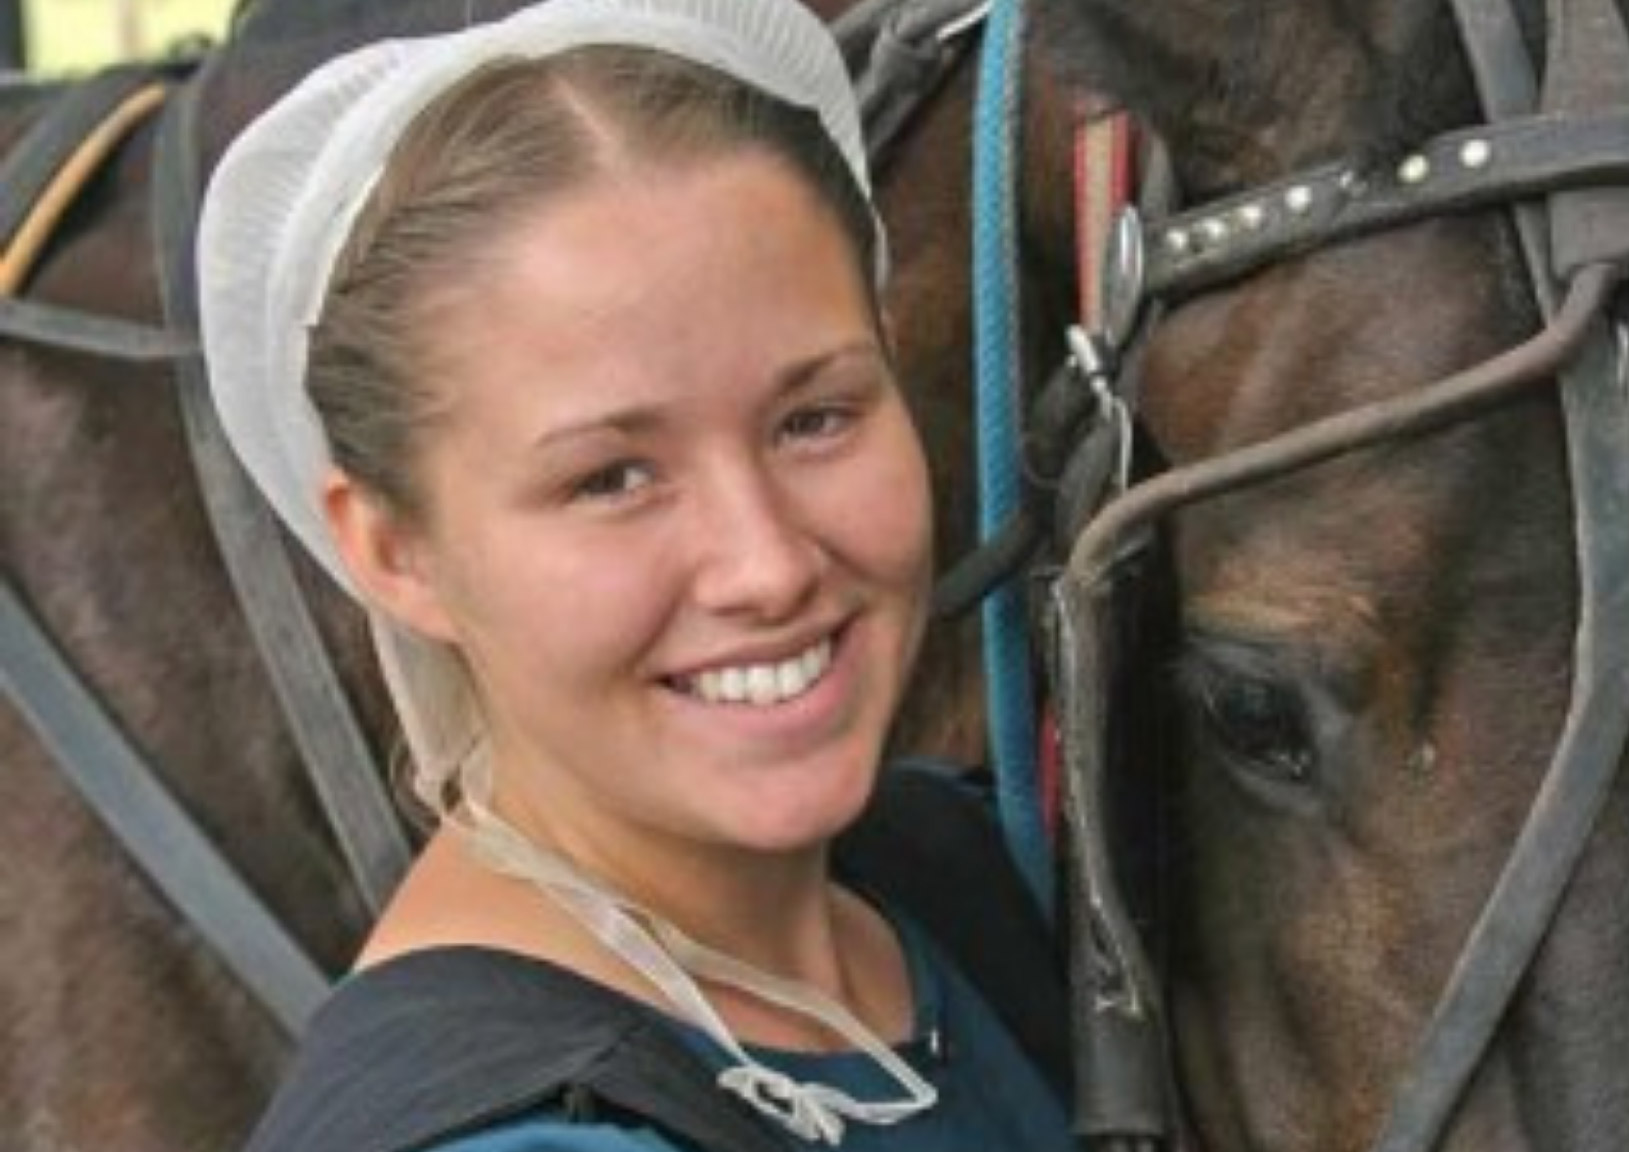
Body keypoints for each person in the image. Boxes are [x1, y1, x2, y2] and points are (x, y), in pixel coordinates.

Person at [196, 1, 1069, 1149]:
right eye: (611, 479)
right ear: (393, 551)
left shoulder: (967, 888)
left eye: (813, 418)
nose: (765, 565)